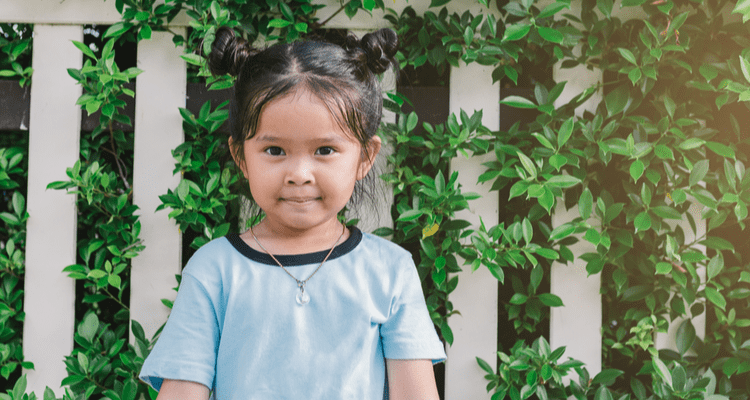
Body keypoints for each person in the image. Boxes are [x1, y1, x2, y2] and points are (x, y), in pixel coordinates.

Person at [138, 26, 446, 400]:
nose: (299, 175)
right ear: (241, 156)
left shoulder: (390, 272)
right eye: (275, 151)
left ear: (365, 156)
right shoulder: (214, 271)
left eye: (325, 150)